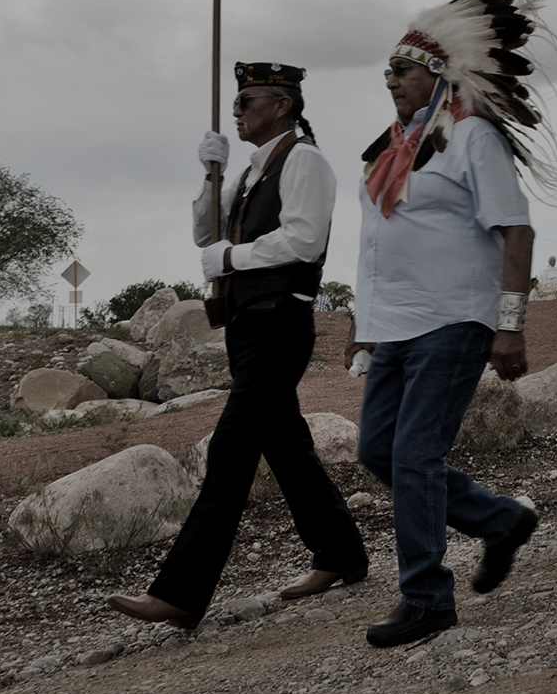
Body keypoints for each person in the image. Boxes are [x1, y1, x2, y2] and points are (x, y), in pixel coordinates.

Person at [108, 63, 369, 631]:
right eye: (236, 101)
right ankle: (342, 553)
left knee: (230, 450)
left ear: (283, 104)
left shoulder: (306, 161)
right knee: (286, 446)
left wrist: (231, 259)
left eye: (247, 101)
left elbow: (303, 238)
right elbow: (206, 233)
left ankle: (181, 593)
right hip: (247, 324)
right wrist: (210, 173)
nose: (236, 111)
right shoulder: (249, 173)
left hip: (281, 320)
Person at [348, 0, 546, 647]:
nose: (390, 81)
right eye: (387, 71)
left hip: (456, 320)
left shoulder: (471, 137)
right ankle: (500, 520)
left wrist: (509, 323)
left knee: (413, 452)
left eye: (400, 70)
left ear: (437, 73)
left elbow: (516, 234)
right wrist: (363, 329)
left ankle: (427, 595)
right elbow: (376, 247)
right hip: (397, 326)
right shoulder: (392, 151)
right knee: (377, 447)